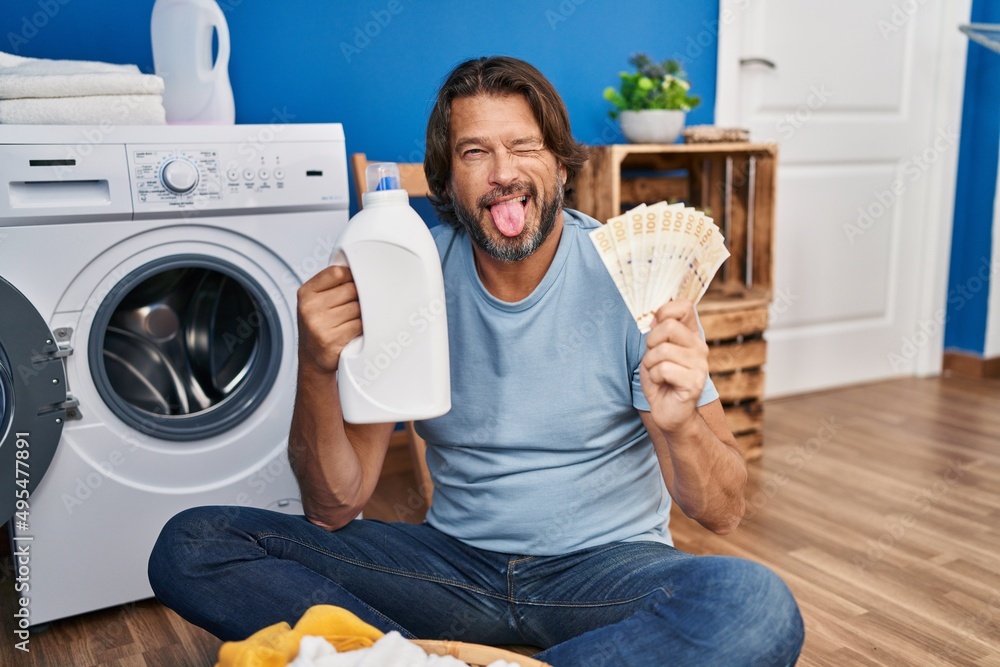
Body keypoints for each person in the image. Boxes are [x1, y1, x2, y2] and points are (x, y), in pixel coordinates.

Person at [149, 56, 804, 666]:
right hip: (452, 570)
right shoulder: (410, 275)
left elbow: (723, 510)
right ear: (447, 181)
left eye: (524, 146)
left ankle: (406, 660)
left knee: (755, 606)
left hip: (603, 572)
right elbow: (333, 506)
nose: (503, 172)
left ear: (562, 166)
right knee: (192, 544)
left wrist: (684, 421)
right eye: (475, 152)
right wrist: (316, 368)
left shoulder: (635, 277)